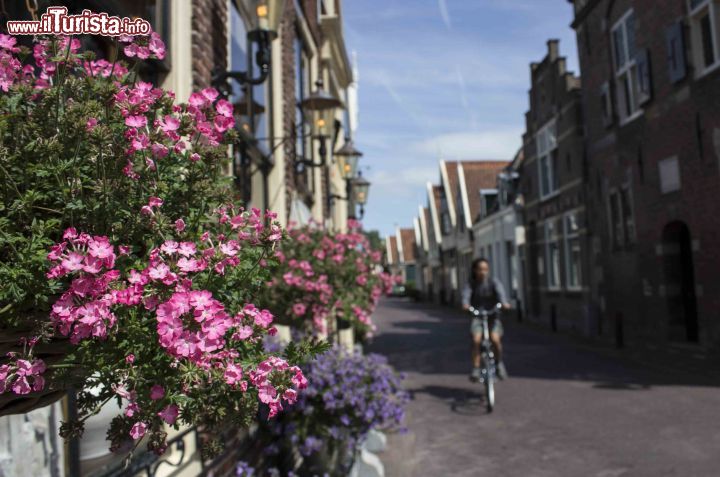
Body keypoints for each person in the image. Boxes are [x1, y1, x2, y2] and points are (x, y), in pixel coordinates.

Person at [461, 258, 511, 382]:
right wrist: (465, 304)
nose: (483, 272)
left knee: (495, 339)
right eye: (480, 269)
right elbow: (466, 295)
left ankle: (499, 363)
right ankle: (476, 368)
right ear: (475, 270)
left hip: (493, 316)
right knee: (476, 340)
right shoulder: (471, 284)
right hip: (478, 316)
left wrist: (504, 303)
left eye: (485, 269)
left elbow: (501, 294)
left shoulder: (493, 282)